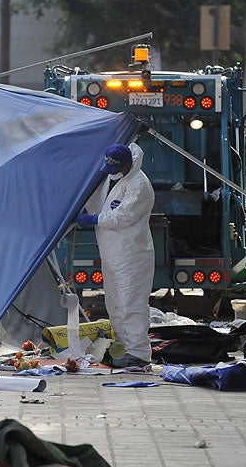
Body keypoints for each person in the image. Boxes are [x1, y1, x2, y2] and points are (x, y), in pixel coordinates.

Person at [76, 142, 155, 368]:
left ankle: (139, 354)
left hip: (132, 254)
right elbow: (98, 199)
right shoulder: (115, 178)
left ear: (128, 163)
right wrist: (86, 210)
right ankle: (123, 348)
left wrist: (95, 219)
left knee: (131, 304)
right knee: (115, 302)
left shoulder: (138, 185)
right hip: (112, 253)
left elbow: (123, 216)